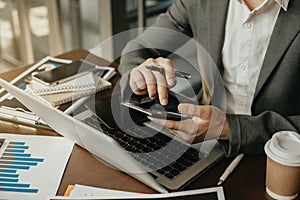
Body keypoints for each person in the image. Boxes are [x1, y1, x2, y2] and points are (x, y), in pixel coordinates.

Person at [118, 0, 300, 157]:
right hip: (203, 143)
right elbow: (139, 48)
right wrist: (139, 76)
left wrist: (230, 129)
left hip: (281, 155)